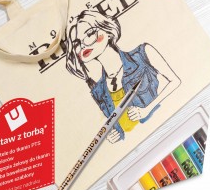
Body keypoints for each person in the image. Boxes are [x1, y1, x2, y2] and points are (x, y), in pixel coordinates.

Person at [65, 9, 181, 143]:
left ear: (108, 30)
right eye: (76, 44)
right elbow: (117, 128)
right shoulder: (98, 91)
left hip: (167, 129)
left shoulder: (142, 54)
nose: (83, 45)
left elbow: (175, 81)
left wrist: (147, 110)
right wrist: (113, 136)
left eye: (89, 34)